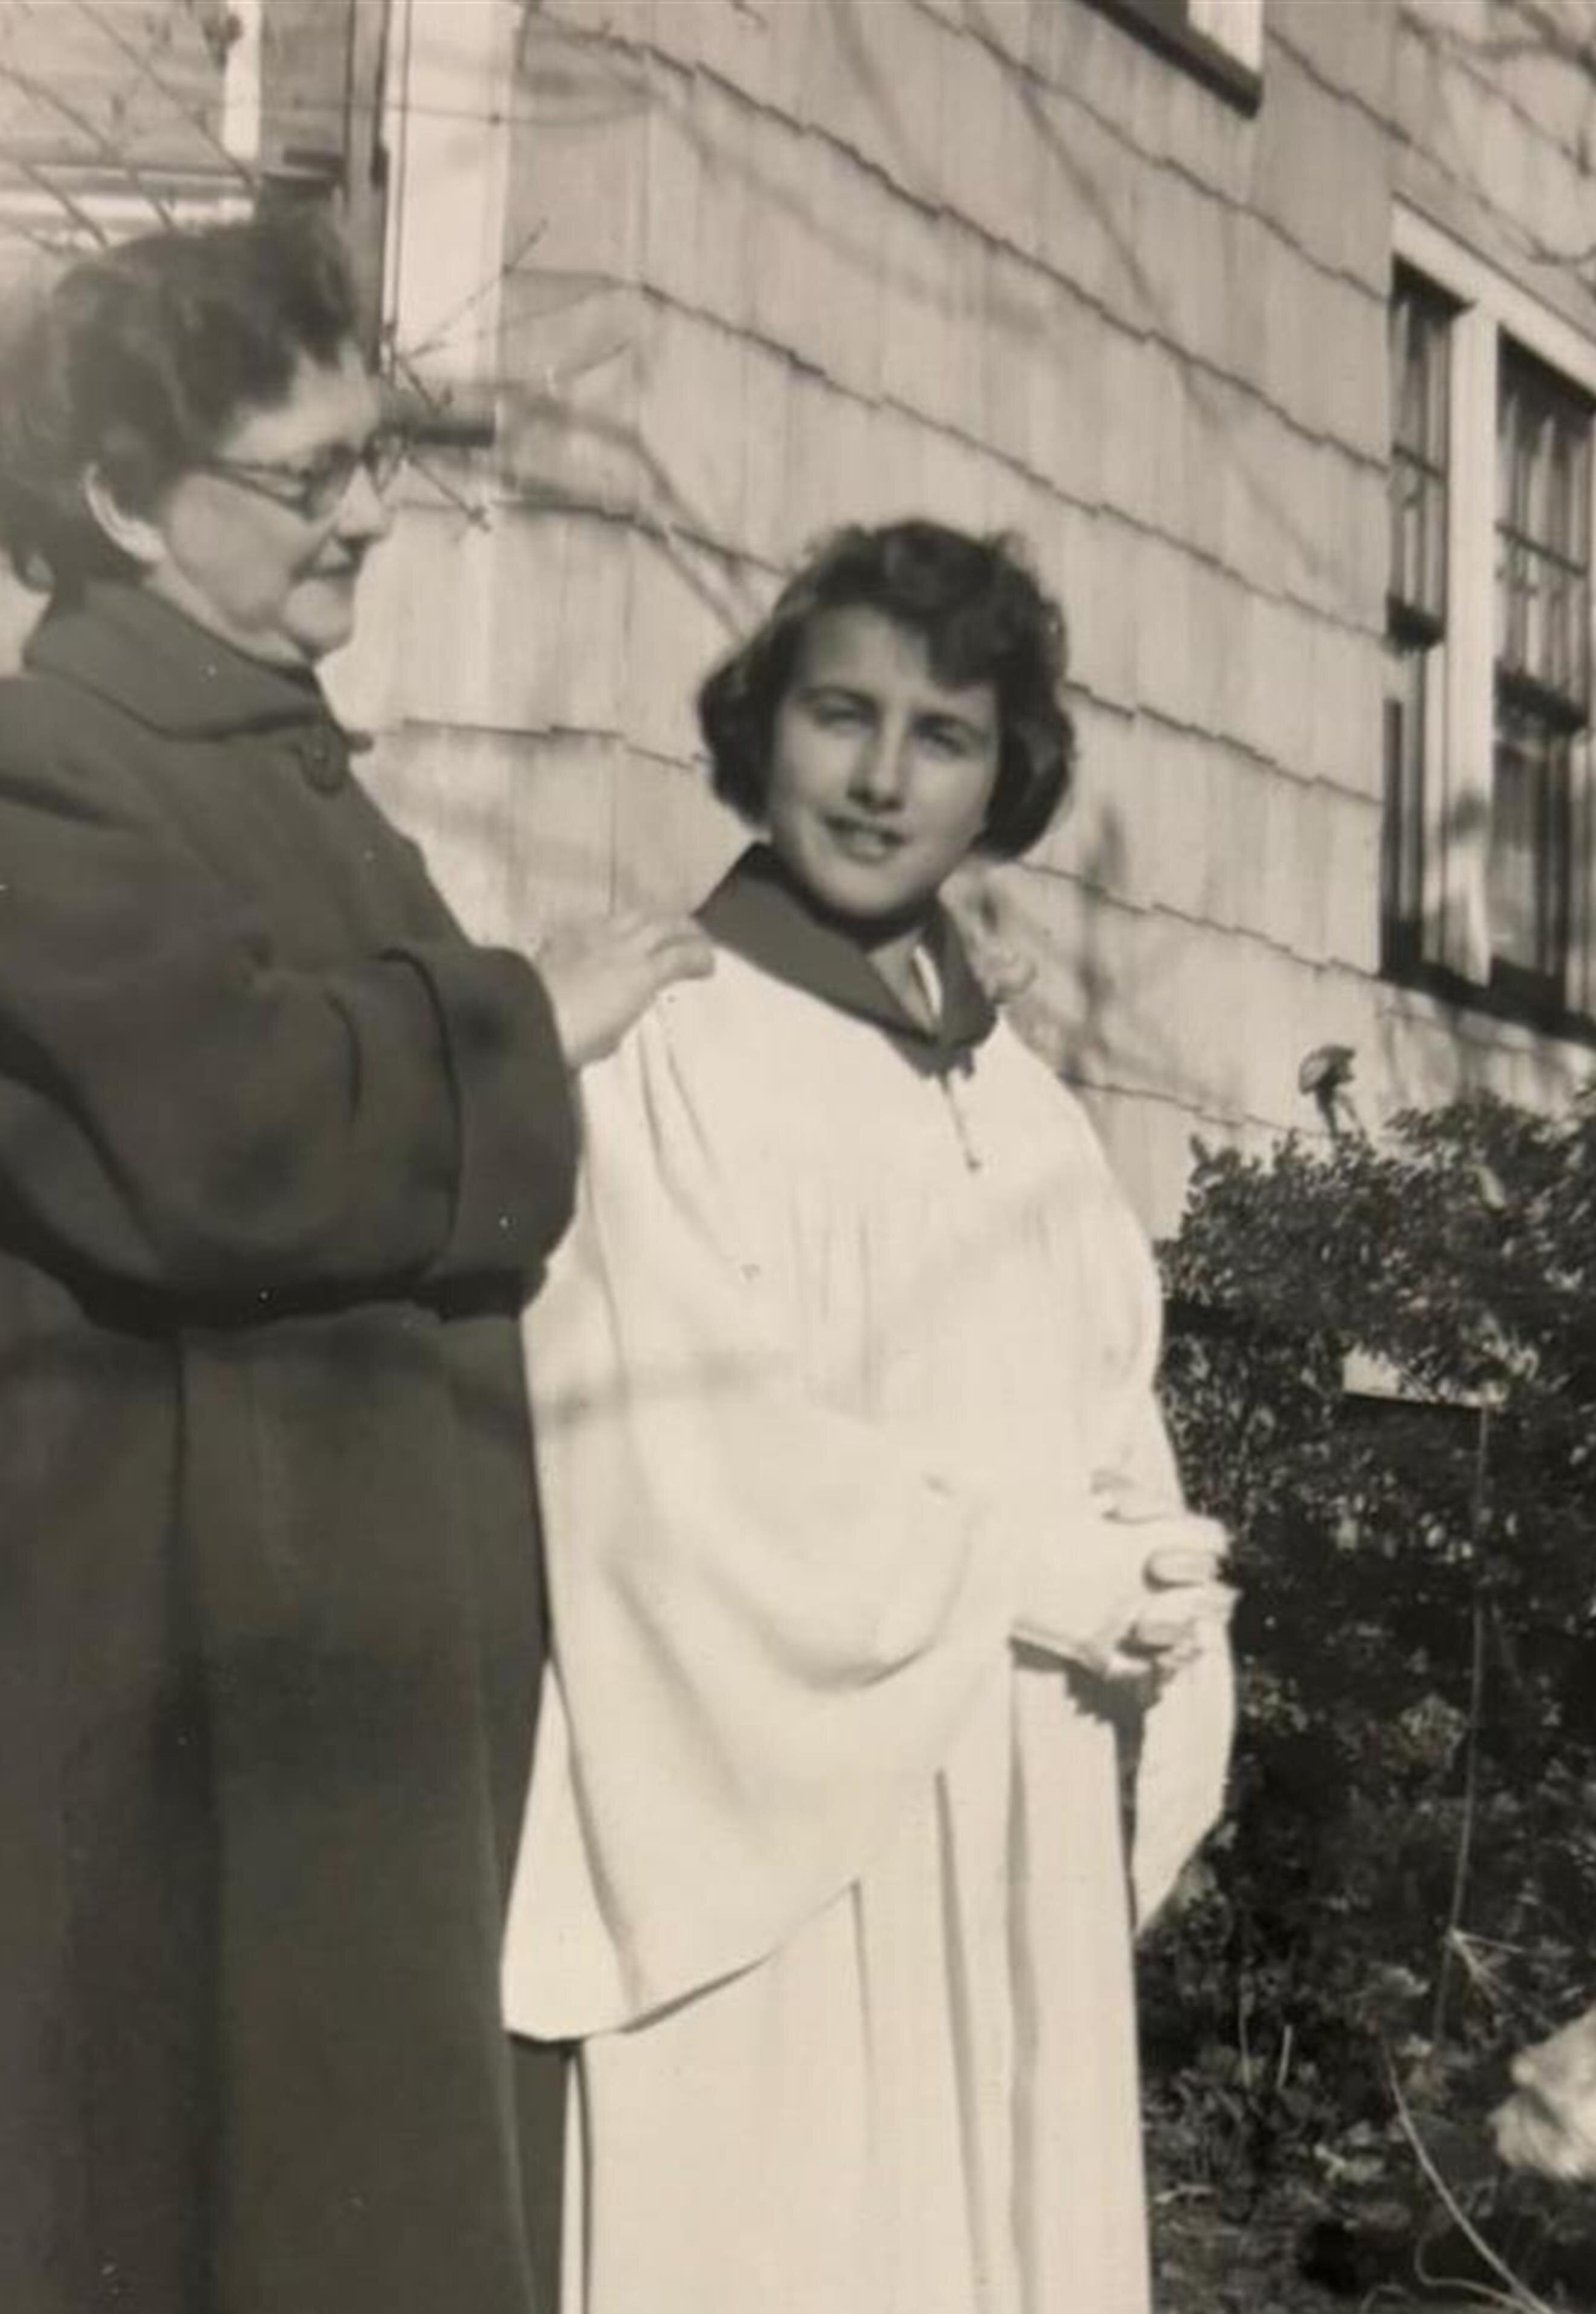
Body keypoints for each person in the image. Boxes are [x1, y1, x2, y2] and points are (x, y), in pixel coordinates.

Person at [0, 209, 706, 2313]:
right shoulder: (27, 771)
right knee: (171, 2193)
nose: (370, 518)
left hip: (336, 1656)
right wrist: (526, 1020)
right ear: (125, 501)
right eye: (310, 475)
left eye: (373, 457)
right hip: (163, 1660)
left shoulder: (285, 773)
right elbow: (234, 1137)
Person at [503, 520, 1238, 2312]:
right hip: (784, 1805)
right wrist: (1022, 1576)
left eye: (945, 736)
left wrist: (1160, 1584)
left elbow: (1104, 1407)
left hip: (1020, 1773)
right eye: (842, 715)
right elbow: (673, 1451)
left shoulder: (1026, 1106)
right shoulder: (671, 1047)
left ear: (1004, 779)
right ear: (762, 730)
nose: (883, 780)